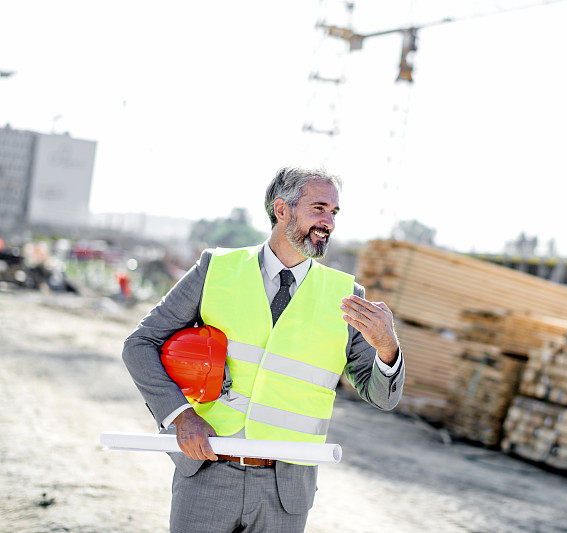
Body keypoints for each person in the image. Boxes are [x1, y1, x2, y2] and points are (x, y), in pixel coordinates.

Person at [122, 167, 405, 532]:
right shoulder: (216, 270)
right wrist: (180, 416)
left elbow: (382, 397)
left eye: (334, 213)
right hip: (207, 472)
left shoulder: (346, 297)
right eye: (319, 208)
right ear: (282, 209)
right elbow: (140, 344)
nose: (328, 222)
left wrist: (387, 349)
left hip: (284, 488)